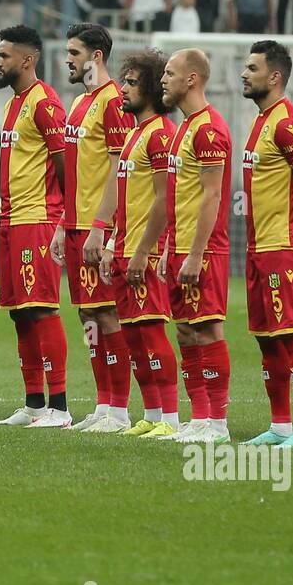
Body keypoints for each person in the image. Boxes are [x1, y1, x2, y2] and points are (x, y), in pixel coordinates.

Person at [237, 41, 293, 449]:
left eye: (251, 68)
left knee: (291, 333)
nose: (243, 73)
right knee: (267, 336)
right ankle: (281, 426)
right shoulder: (262, 121)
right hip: (260, 246)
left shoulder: (288, 123)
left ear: (274, 77)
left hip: (285, 244)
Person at [51, 23, 134, 432]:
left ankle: (119, 409)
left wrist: (105, 228)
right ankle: (103, 405)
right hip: (76, 225)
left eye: (73, 52)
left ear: (96, 56)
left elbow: (121, 169)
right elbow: (77, 173)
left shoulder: (114, 101)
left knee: (107, 314)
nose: (67, 59)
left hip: (99, 227)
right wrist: (63, 225)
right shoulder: (80, 102)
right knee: (88, 315)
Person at [98, 49, 181, 438]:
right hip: (125, 248)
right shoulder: (135, 134)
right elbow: (126, 197)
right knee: (132, 334)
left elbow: (166, 200)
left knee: (150, 332)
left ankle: (170, 418)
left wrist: (144, 250)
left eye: (131, 83)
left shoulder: (162, 134)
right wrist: (114, 241)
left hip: (144, 252)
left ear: (150, 86)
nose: (122, 91)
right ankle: (150, 414)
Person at [0, 25, 69, 427]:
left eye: (4, 56)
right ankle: (34, 403)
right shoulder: (12, 105)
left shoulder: (45, 103)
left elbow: (64, 168)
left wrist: (63, 219)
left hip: (37, 219)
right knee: (20, 313)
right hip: (9, 220)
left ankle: (60, 406)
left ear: (27, 59)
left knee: (41, 309)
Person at [155, 49, 232, 444]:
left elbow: (212, 195)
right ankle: (198, 417)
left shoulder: (209, 129)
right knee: (185, 331)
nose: (163, 80)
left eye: (169, 73)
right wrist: (170, 246)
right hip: (181, 246)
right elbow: (179, 196)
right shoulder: (185, 128)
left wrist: (197, 253)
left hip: (205, 250)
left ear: (191, 79)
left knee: (207, 328)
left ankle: (216, 423)